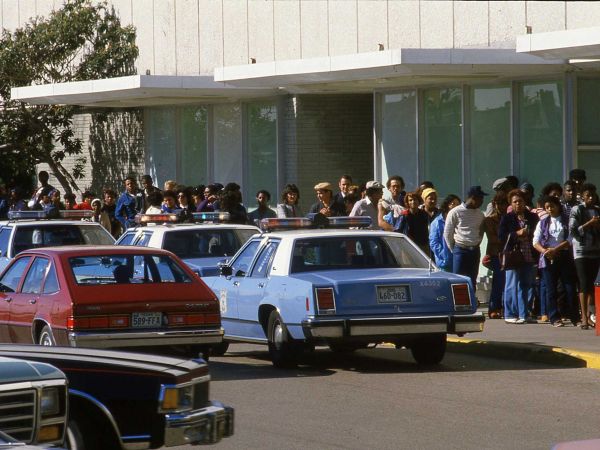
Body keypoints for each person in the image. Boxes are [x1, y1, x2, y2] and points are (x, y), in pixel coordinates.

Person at [533, 195, 578, 327]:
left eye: (552, 206)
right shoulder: (543, 222)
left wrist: (555, 249)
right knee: (551, 289)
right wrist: (546, 252)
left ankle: (575, 316)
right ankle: (554, 317)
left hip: (563, 255)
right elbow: (535, 241)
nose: (550, 209)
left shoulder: (566, 220)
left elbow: (570, 239)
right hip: (548, 257)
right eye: (547, 207)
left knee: (569, 287)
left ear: (558, 206)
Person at [499, 189, 539, 324]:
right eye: (515, 202)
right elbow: (501, 236)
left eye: (520, 201)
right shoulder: (507, 218)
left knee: (526, 285)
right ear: (511, 203)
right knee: (511, 284)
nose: (518, 204)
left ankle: (524, 314)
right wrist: (517, 234)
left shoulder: (532, 217)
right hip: (513, 255)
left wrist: (530, 233)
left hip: (529, 254)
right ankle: (510, 314)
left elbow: (539, 233)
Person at [569, 183, 600, 330]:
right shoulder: (576, 209)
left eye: (593, 195)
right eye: (588, 195)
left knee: (594, 284)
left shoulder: (597, 210)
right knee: (583, 283)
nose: (591, 198)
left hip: (595, 251)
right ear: (582, 196)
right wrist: (589, 223)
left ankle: (591, 314)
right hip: (581, 251)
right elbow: (573, 230)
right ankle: (583, 317)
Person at [443, 186, 487, 291]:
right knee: (458, 280)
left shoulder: (480, 214)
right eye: (480, 199)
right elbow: (447, 233)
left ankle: (471, 304)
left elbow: (481, 231)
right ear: (472, 198)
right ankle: (458, 305)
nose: (482, 202)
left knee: (472, 280)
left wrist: (477, 242)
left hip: (475, 250)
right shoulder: (455, 212)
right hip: (460, 249)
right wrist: (453, 249)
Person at [482, 192, 509, 319]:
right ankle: (494, 308)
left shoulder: (510, 218)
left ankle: (506, 308)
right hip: (495, 254)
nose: (502, 206)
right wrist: (511, 237)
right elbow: (492, 238)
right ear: (494, 204)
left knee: (508, 282)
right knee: (498, 281)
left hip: (509, 254)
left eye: (504, 204)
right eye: (499, 204)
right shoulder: (489, 219)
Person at [429, 194, 461, 272]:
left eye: (458, 204)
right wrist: (444, 255)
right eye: (453, 204)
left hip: (458, 259)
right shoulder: (437, 222)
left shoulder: (460, 221)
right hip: (444, 263)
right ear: (447, 205)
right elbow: (434, 242)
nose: (456, 207)